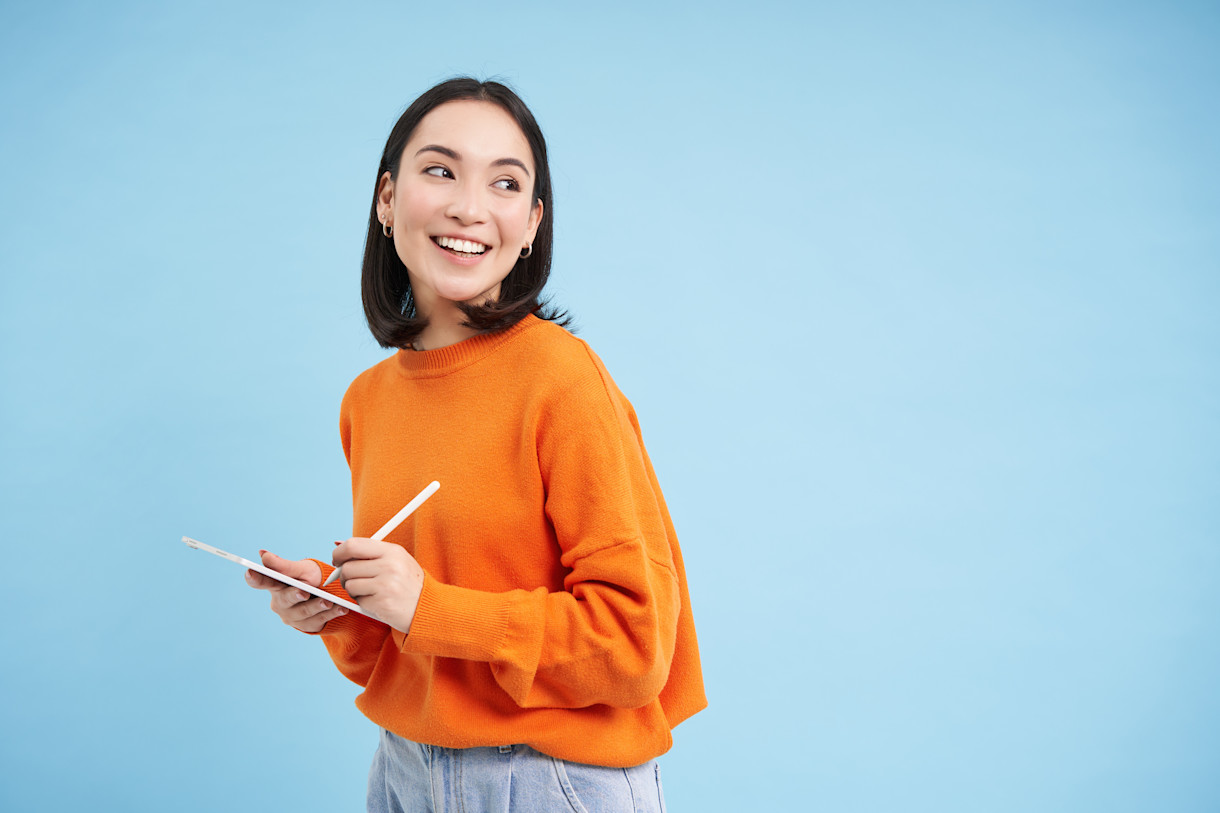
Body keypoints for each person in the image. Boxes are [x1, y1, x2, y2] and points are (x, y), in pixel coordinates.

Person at [245, 77, 706, 812]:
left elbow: (634, 642)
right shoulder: (367, 400)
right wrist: (343, 609)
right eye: (440, 170)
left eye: (505, 182)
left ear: (530, 224)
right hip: (404, 771)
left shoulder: (561, 376)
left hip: (552, 779)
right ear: (387, 199)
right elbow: (410, 649)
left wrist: (428, 605)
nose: (469, 206)